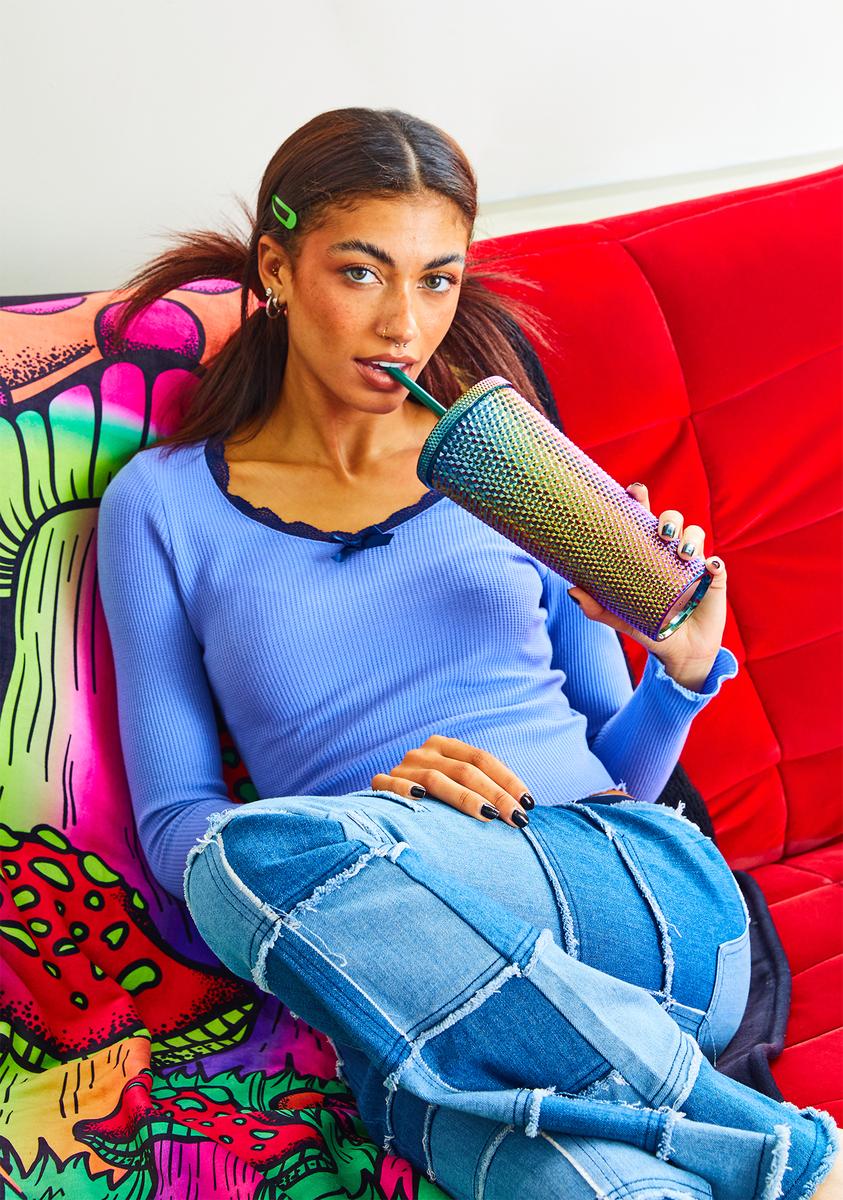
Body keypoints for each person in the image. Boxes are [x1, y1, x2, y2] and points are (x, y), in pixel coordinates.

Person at [96, 107, 839, 1199]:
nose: (404, 324)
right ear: (277, 268)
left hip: (631, 895)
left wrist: (680, 671)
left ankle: (786, 1157)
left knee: (279, 870)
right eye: (362, 272)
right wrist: (377, 821)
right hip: (419, 996)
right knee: (241, 865)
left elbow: (621, 777)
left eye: (437, 280)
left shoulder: (510, 457)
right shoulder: (160, 507)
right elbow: (178, 832)